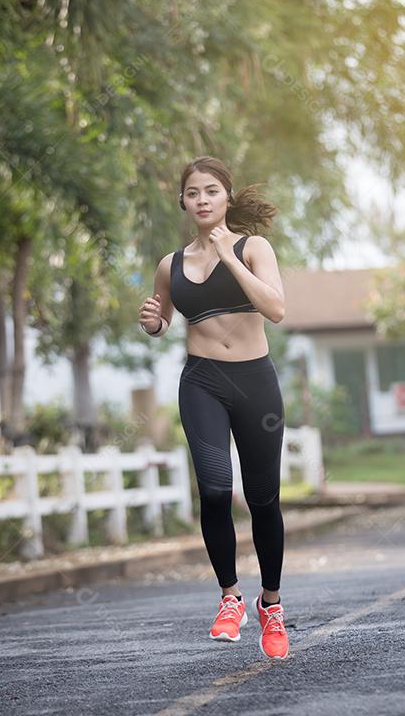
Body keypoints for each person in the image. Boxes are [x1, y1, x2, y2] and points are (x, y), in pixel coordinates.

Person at [138, 155, 289, 660]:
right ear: (182, 201)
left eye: (210, 191)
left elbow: (276, 309)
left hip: (255, 383)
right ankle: (230, 598)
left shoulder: (254, 247)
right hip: (202, 382)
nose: (201, 200)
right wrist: (154, 322)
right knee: (215, 490)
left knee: (263, 497)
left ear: (227, 197)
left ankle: (271, 604)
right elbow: (162, 319)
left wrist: (229, 257)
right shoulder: (170, 264)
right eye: (192, 193)